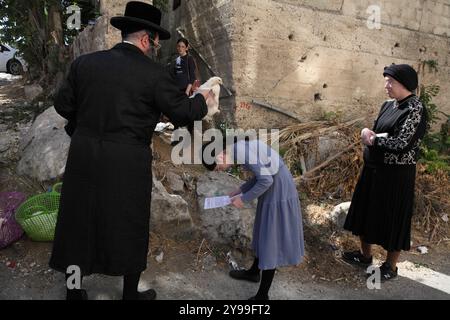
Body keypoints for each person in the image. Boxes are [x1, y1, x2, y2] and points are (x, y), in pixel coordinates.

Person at [49, 1, 213, 300]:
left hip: (84, 154)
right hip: (127, 160)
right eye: (155, 42)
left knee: (77, 221)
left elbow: (63, 105)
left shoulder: (85, 64)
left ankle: (74, 291)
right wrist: (204, 99)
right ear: (145, 38)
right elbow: (182, 112)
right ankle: (129, 294)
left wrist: (85, 125)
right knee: (129, 222)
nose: (155, 47)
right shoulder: (153, 74)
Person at [342, 64, 427, 282]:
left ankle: (390, 266)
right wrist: (368, 133)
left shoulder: (415, 108)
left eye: (391, 82)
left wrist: (374, 139)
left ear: (405, 85)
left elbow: (402, 143)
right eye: (386, 80)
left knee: (392, 218)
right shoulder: (388, 105)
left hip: (396, 176)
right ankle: (365, 256)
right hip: (374, 170)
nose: (386, 85)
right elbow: (376, 129)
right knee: (366, 212)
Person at [202, 137, 305, 300]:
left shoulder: (239, 151)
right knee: (263, 232)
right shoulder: (238, 149)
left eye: (217, 167)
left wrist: (243, 199)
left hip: (278, 189)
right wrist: (240, 190)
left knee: (270, 238)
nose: (220, 170)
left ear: (220, 155)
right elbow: (261, 175)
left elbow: (266, 180)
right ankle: (254, 272)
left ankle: (262, 296)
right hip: (276, 187)